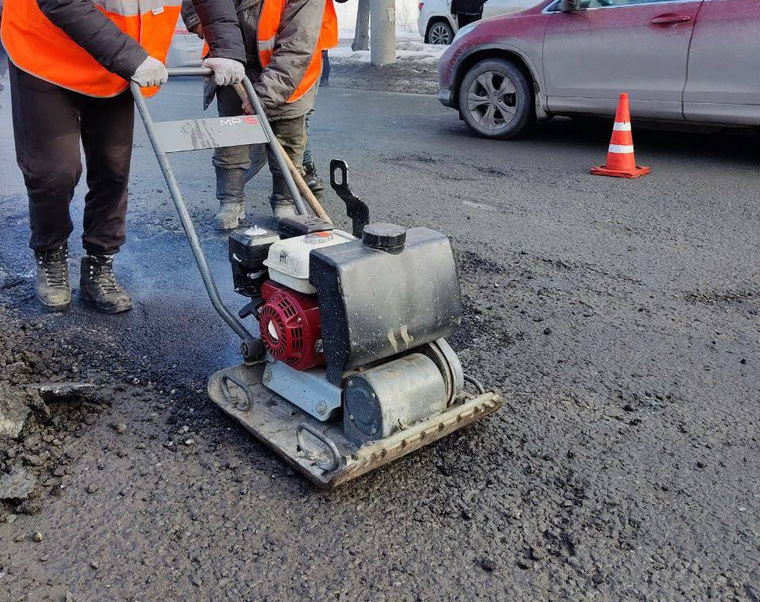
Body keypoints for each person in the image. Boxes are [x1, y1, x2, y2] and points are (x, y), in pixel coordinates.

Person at [1, 0, 246, 313]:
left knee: (113, 170)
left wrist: (226, 48)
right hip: (46, 51)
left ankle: (99, 266)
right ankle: (51, 253)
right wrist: (132, 58)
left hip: (114, 61)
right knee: (54, 171)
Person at [183, 0, 329, 230]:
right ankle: (231, 202)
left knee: (288, 143)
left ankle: (285, 203)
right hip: (235, 68)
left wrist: (263, 95)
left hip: (289, 75)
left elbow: (297, 45)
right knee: (232, 138)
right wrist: (195, 16)